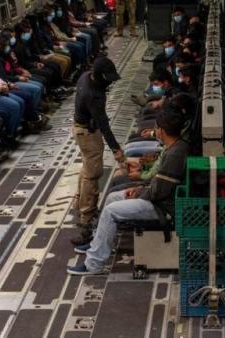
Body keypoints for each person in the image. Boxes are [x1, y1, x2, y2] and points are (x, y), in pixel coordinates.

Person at [68, 108, 189, 275]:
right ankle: (99, 244)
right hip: (158, 198)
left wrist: (139, 192)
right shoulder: (174, 146)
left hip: (164, 207)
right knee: (113, 197)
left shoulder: (175, 154)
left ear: (161, 130)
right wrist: (140, 189)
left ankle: (94, 264)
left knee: (111, 211)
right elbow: (158, 185)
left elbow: (159, 191)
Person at [71, 56, 125, 245]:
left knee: (87, 168)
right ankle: (86, 220)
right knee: (93, 174)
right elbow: (103, 124)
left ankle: (79, 204)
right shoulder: (93, 96)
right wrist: (116, 149)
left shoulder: (86, 76)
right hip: (88, 133)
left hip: (81, 128)